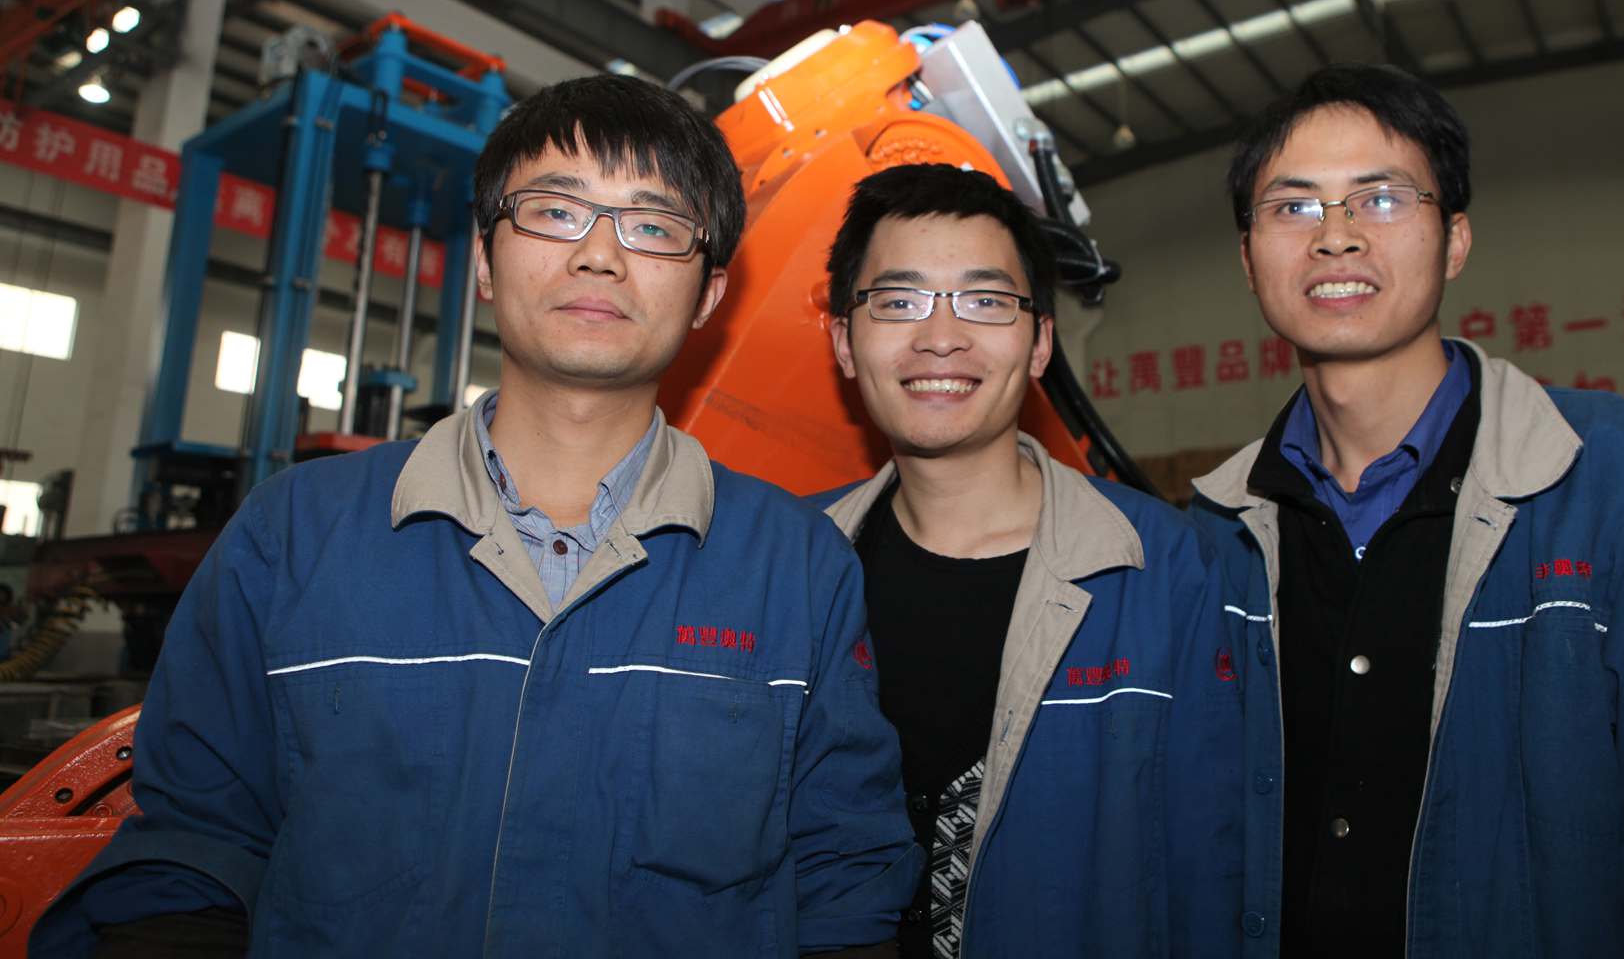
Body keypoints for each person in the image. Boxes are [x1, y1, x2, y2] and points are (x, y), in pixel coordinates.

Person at [35, 75, 920, 957]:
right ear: (488, 263)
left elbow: (844, 890)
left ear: (709, 294)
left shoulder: (797, 567)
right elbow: (195, 859)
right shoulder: (294, 536)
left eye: (653, 226)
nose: (600, 255)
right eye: (555, 212)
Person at [1187, 62, 1624, 957]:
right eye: (1294, 206)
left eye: (1381, 199)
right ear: (1249, 260)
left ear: (1456, 240)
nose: (1337, 236)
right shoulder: (1215, 538)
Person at [814, 164, 1250, 958]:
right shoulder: (793, 565)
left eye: (984, 301)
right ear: (844, 341)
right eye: (900, 302)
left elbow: (1213, 858)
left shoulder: (1163, 568)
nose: (941, 337)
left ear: (1041, 341)